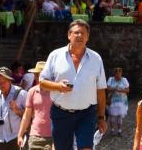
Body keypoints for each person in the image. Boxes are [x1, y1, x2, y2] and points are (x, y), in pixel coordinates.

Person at [37, 20, 107, 150]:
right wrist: (58, 87)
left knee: (86, 147)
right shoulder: (55, 55)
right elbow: (42, 82)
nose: (79, 35)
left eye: (83, 33)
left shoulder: (96, 58)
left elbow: (101, 90)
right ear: (69, 35)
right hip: (61, 113)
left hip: (87, 113)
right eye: (76, 33)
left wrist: (101, 117)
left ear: (87, 37)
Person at [16, 62, 51, 150]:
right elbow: (27, 115)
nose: (35, 77)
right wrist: (20, 135)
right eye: (35, 75)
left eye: (37, 75)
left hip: (53, 136)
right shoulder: (32, 91)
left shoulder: (56, 92)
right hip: (35, 136)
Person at [104, 68, 128, 138]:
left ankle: (119, 131)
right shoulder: (111, 79)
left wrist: (120, 90)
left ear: (121, 73)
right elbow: (107, 88)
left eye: (120, 73)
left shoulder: (124, 80)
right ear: (114, 74)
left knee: (120, 116)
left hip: (122, 101)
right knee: (112, 116)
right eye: (117, 73)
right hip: (112, 100)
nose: (118, 75)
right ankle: (112, 130)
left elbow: (127, 90)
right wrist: (114, 89)